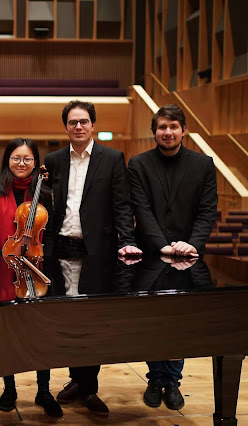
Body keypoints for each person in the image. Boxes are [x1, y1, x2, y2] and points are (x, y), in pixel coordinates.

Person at [43, 100, 142, 417]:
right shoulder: (54, 160)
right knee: (69, 319)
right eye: (72, 122)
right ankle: (77, 379)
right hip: (61, 250)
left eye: (84, 121)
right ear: (66, 127)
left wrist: (126, 240)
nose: (78, 127)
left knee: (93, 320)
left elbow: (122, 205)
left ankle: (89, 388)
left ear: (93, 125)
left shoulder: (112, 159)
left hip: (98, 251)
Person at [128, 104, 218, 410]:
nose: (168, 132)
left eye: (174, 126)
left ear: (184, 130)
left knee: (181, 322)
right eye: (162, 127)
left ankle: (172, 381)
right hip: (153, 256)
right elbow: (142, 209)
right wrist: (163, 246)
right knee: (152, 322)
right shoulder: (138, 164)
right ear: (154, 131)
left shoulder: (203, 164)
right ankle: (155, 378)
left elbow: (207, 211)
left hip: (189, 256)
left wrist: (191, 244)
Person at [0, 138, 62, 417]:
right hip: (4, 268)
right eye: (16, 158)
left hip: (37, 266)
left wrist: (41, 257)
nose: (22, 164)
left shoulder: (46, 192)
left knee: (40, 333)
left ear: (35, 161)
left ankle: (43, 390)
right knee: (6, 332)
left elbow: (49, 232)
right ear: (8, 160)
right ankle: (9, 388)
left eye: (28, 159)